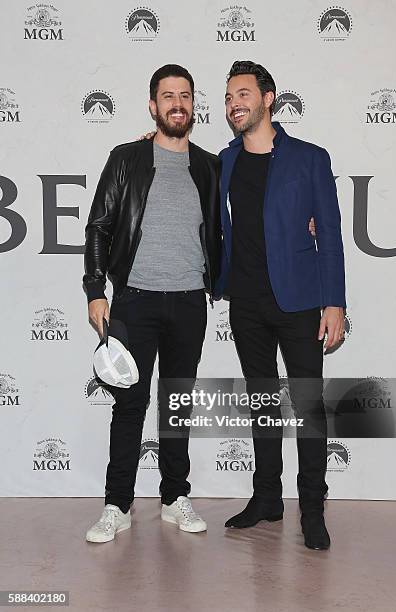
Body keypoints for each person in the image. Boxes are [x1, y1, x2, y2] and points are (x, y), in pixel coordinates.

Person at [83, 64, 221, 543]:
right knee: (129, 405)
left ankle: (173, 497)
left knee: (176, 404)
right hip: (133, 302)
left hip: (188, 302)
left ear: (193, 104)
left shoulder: (209, 165)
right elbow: (99, 225)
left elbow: (243, 211)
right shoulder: (126, 158)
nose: (177, 103)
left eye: (185, 95)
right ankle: (116, 504)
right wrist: (95, 290)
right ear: (153, 105)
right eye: (168, 96)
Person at [215, 61, 346, 550]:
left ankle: (313, 509)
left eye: (243, 94)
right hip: (245, 301)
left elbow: (330, 234)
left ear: (269, 98)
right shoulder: (223, 160)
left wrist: (333, 302)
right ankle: (267, 498)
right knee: (263, 404)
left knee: (309, 407)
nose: (234, 104)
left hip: (300, 302)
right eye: (228, 97)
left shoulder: (310, 158)